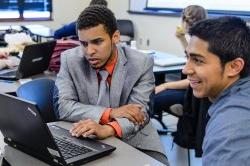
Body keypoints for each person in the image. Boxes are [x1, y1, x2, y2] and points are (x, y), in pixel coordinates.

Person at [53, 5, 169, 165]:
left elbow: (141, 112)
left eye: (97, 42)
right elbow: (63, 107)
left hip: (135, 140)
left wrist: (107, 129)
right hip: (86, 139)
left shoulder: (141, 63)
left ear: (115, 37)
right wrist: (110, 113)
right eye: (84, 43)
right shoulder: (69, 59)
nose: (89, 51)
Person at [183, 16, 250, 165]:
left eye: (198, 60)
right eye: (187, 57)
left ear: (234, 66)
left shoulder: (229, 128)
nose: (185, 69)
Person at [154, 5, 208, 115]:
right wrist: (182, 38)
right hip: (193, 89)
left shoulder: (202, 42)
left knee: (152, 99)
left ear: (184, 21)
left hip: (195, 93)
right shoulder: (201, 38)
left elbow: (196, 79)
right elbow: (191, 56)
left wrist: (165, 85)